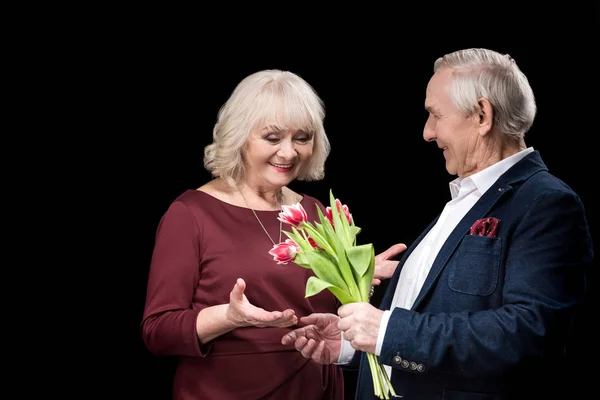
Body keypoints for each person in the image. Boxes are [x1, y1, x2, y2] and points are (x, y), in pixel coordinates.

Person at [282, 48, 594, 399]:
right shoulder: (463, 199)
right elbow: (426, 322)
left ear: (481, 116)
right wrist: (353, 343)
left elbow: (528, 334)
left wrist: (386, 330)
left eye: (435, 115)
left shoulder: (546, 203)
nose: (428, 132)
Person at [141, 69, 345, 399]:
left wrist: (359, 281)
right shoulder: (192, 214)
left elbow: (338, 318)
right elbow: (158, 332)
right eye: (273, 138)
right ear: (240, 136)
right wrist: (228, 316)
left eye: (302, 138)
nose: (289, 153)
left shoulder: (317, 212)